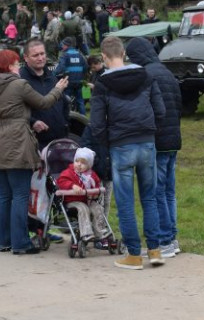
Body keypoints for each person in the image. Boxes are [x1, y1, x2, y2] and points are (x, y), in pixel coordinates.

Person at [88, 35, 166, 270]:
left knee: (125, 202)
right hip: (146, 141)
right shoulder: (146, 76)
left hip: (120, 145)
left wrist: (108, 143)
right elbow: (160, 111)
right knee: (149, 198)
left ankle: (133, 254)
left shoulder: (102, 84)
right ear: (123, 54)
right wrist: (150, 131)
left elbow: (97, 124)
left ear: (104, 57)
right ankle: (154, 250)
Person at [0, 49, 67, 255]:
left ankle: (4, 241)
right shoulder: (19, 85)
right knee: (20, 194)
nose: (18, 67)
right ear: (9, 67)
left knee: (3, 195)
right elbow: (44, 103)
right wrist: (58, 89)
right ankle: (21, 242)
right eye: (16, 64)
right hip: (16, 142)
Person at [126, 36, 183, 259]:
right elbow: (178, 106)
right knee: (168, 191)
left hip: (157, 141)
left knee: (156, 192)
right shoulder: (166, 72)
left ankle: (164, 239)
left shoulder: (146, 75)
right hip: (173, 139)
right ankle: (172, 237)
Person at [55, 147, 113, 246]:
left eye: (83, 163)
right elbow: (61, 182)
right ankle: (86, 233)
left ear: (89, 165)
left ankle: (101, 232)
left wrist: (95, 192)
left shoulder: (92, 175)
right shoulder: (68, 173)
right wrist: (72, 186)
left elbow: (97, 185)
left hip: (87, 200)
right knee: (83, 208)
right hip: (72, 201)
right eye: (77, 161)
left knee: (98, 208)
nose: (79, 164)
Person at [20, 38, 69, 149]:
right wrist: (32, 122)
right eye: (35, 55)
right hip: (35, 143)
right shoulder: (20, 80)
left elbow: (63, 102)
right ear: (26, 57)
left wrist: (65, 122)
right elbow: (15, 110)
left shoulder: (52, 77)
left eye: (42, 54)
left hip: (60, 139)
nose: (40, 58)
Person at [54, 37, 87, 114]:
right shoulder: (79, 54)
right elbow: (85, 67)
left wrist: (52, 74)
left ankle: (67, 117)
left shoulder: (65, 55)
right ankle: (83, 118)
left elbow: (60, 67)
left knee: (66, 100)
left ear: (66, 45)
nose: (62, 46)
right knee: (80, 101)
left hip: (69, 82)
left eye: (63, 45)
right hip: (79, 81)